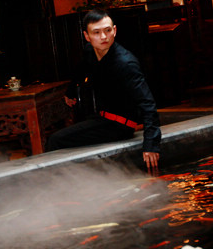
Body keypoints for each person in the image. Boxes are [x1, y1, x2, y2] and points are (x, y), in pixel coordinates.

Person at [45, 9, 161, 173]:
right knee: (63, 138)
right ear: (87, 36)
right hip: (101, 118)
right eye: (97, 32)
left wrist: (151, 144)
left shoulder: (125, 64)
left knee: (56, 140)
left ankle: (58, 185)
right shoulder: (90, 52)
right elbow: (81, 70)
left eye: (107, 30)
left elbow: (148, 104)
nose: (104, 37)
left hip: (120, 124)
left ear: (114, 30)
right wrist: (71, 92)